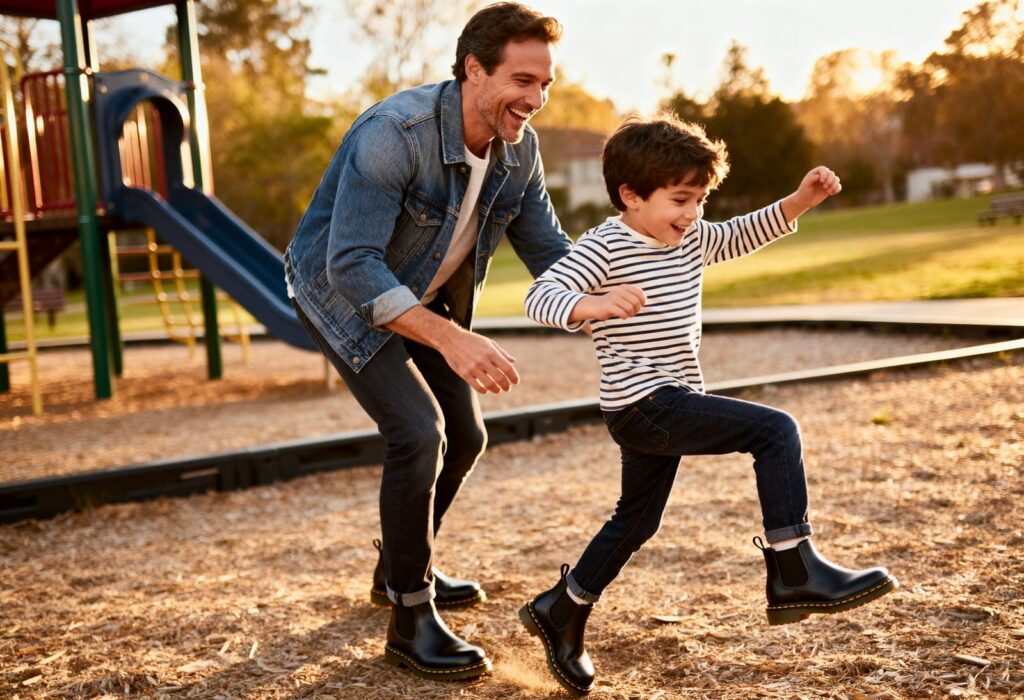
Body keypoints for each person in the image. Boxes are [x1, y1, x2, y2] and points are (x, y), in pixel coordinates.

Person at [520, 115, 899, 695]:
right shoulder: (606, 245)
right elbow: (540, 296)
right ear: (630, 194)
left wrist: (801, 199)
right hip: (642, 404)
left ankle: (562, 608)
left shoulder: (691, 238)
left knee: (638, 519)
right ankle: (794, 567)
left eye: (699, 199)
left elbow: (744, 231)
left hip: (669, 403)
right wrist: (591, 306)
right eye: (679, 199)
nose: (693, 212)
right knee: (775, 431)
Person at [284, 2, 572, 682]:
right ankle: (411, 618)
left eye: (545, 85)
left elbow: (552, 255)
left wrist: (613, 295)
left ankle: (397, 568)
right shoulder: (395, 134)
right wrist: (450, 339)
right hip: (340, 292)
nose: (534, 100)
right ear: (474, 69)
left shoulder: (519, 150)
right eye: (522, 81)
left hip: (424, 295)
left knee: (466, 436)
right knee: (418, 433)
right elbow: (351, 264)